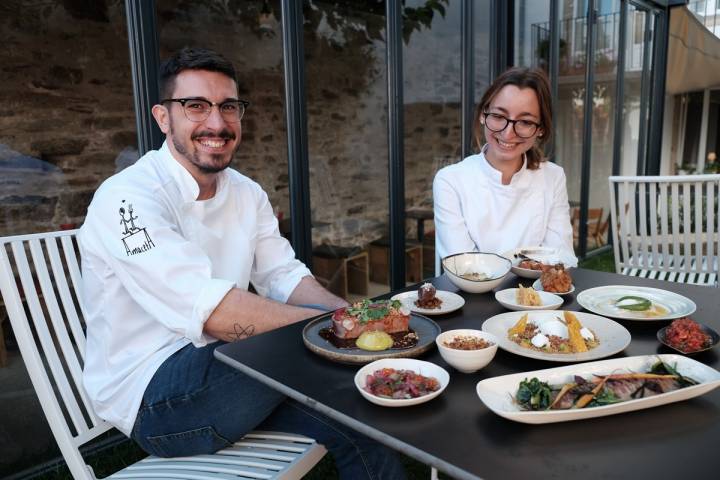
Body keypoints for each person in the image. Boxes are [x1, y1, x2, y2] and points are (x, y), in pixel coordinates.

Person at [79, 47, 406, 479]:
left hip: (233, 368)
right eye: (195, 106)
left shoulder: (246, 192)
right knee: (311, 350)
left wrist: (349, 316)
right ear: (163, 118)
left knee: (361, 421)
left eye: (228, 107)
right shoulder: (128, 199)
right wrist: (335, 330)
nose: (216, 123)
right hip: (153, 397)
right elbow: (215, 314)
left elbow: (283, 275)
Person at [433, 67, 577, 266]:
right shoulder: (450, 181)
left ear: (541, 129)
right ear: (484, 115)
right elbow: (463, 266)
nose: (508, 134)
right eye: (499, 116)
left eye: (525, 121)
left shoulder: (553, 176)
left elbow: (561, 258)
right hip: (472, 296)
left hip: (537, 296)